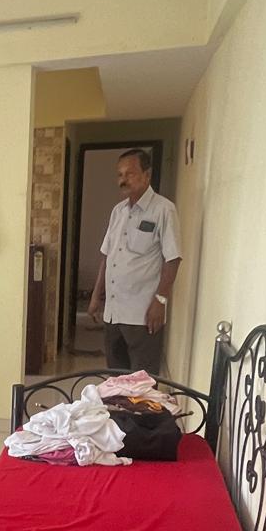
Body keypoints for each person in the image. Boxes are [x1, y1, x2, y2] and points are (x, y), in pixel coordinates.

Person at [87, 148, 181, 375]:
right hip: (114, 312)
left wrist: (160, 301)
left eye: (129, 174)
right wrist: (96, 296)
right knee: (116, 381)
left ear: (147, 175)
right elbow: (107, 256)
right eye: (120, 175)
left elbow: (173, 258)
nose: (123, 180)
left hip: (143, 314)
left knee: (142, 382)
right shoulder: (118, 211)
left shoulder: (163, 210)